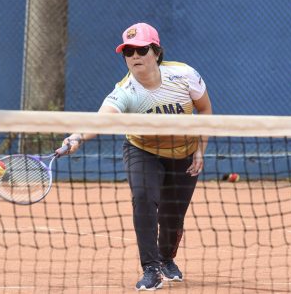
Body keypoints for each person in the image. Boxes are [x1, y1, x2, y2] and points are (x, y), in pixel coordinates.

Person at [57, 22, 212, 291]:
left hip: (183, 153)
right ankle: (150, 268)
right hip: (143, 150)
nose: (135, 56)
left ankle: (166, 259)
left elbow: (205, 110)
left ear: (156, 52)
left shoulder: (185, 75)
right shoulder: (126, 91)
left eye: (141, 50)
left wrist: (200, 149)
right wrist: (77, 137)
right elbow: (100, 121)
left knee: (173, 217)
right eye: (128, 52)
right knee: (143, 198)